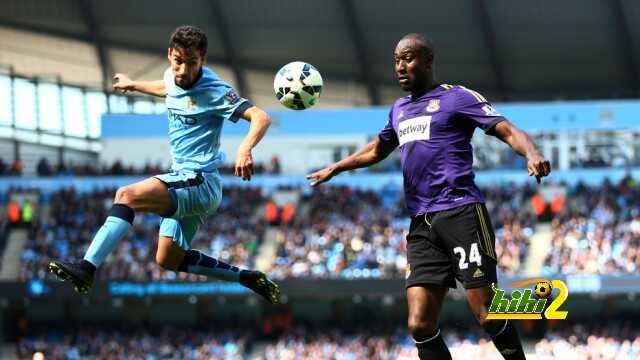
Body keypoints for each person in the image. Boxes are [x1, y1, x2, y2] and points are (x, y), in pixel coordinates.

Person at [307, 33, 550, 359]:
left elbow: (505, 129)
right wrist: (336, 167)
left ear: (428, 60)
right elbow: (379, 149)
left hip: (461, 213)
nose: (400, 67)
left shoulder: (457, 97)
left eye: (407, 58)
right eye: (396, 60)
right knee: (419, 324)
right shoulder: (399, 109)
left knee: (487, 313)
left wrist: (531, 153)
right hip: (422, 225)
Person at [48, 25, 280, 304]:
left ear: (202, 61)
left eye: (191, 63)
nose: (183, 70)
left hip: (200, 180)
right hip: (186, 180)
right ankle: (246, 278)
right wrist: (132, 84)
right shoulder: (172, 76)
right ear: (170, 55)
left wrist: (244, 149)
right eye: (178, 61)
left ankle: (86, 267)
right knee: (168, 258)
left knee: (126, 196)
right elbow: (167, 87)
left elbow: (260, 117)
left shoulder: (215, 90)